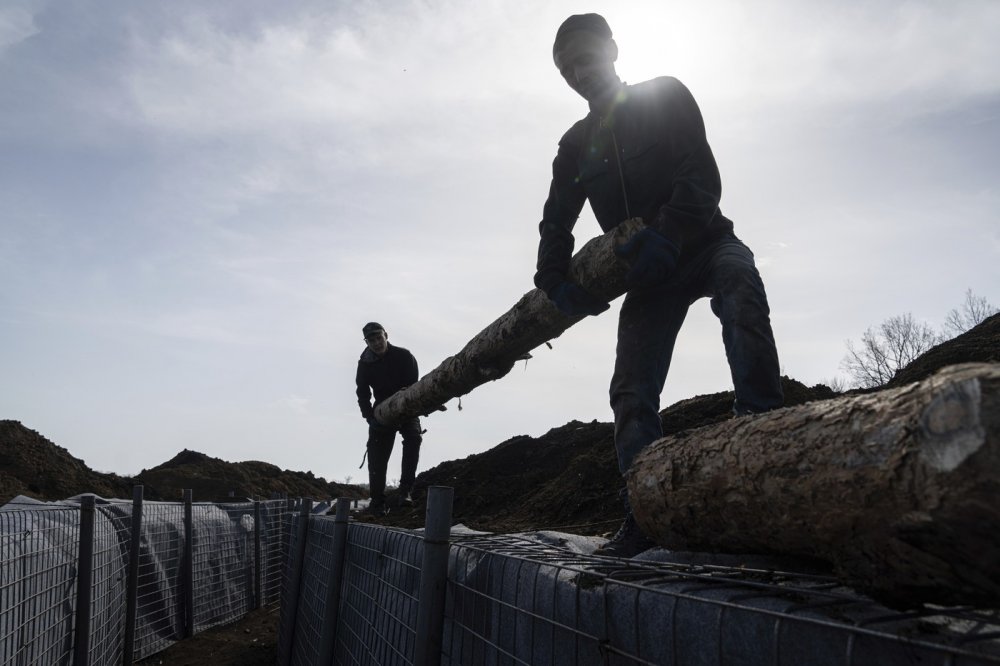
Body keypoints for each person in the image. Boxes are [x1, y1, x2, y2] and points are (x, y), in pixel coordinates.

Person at [534, 14, 784, 556]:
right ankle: (641, 511)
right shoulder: (575, 145)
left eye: (586, 57)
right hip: (648, 277)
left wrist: (667, 232)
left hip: (706, 243)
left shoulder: (666, 96)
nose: (578, 71)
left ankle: (764, 441)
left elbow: (702, 177)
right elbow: (557, 219)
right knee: (631, 386)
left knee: (740, 290)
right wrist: (554, 280)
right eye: (566, 68)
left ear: (614, 50)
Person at [355, 322, 422, 515]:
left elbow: (414, 386)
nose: (376, 343)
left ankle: (405, 491)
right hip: (382, 411)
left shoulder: (404, 356)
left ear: (386, 335)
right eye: (371, 340)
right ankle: (377, 501)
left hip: (407, 406)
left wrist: (406, 402)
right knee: (376, 454)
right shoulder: (365, 363)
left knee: (413, 437)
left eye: (379, 338)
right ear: (366, 342)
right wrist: (369, 416)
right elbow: (362, 393)